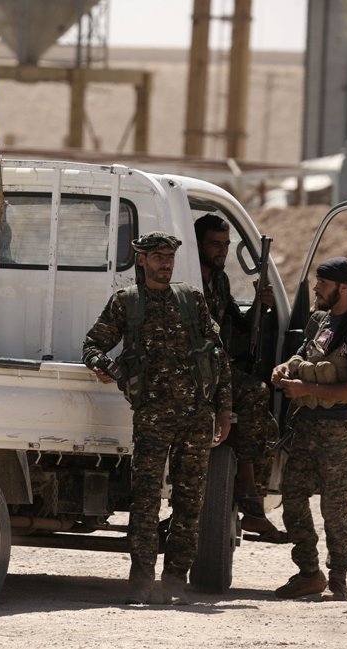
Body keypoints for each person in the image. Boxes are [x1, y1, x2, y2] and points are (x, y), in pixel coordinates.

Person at [82, 231, 231, 606]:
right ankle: (141, 581)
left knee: (189, 502)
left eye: (170, 257)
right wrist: (104, 366)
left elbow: (218, 356)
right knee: (145, 501)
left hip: (196, 416)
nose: (166, 263)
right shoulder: (127, 302)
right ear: (142, 260)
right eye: (159, 257)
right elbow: (93, 344)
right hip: (152, 417)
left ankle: (176, 580)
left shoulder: (191, 299)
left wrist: (223, 410)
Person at [271, 257, 347, 602]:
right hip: (306, 424)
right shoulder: (320, 321)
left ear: (343, 287)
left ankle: (338, 576)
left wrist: (306, 389)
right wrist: (284, 368)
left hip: (337, 430)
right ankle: (308, 573)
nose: (316, 288)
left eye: (323, 283)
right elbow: (303, 354)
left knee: (334, 506)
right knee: (292, 499)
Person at [194, 214, 286, 542]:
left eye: (225, 245)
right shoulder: (186, 280)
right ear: (198, 245)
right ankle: (251, 503)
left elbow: (238, 323)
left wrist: (261, 306)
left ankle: (251, 503)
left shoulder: (219, 281)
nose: (221, 251)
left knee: (266, 426)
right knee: (256, 393)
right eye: (214, 244)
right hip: (195, 371)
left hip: (217, 368)